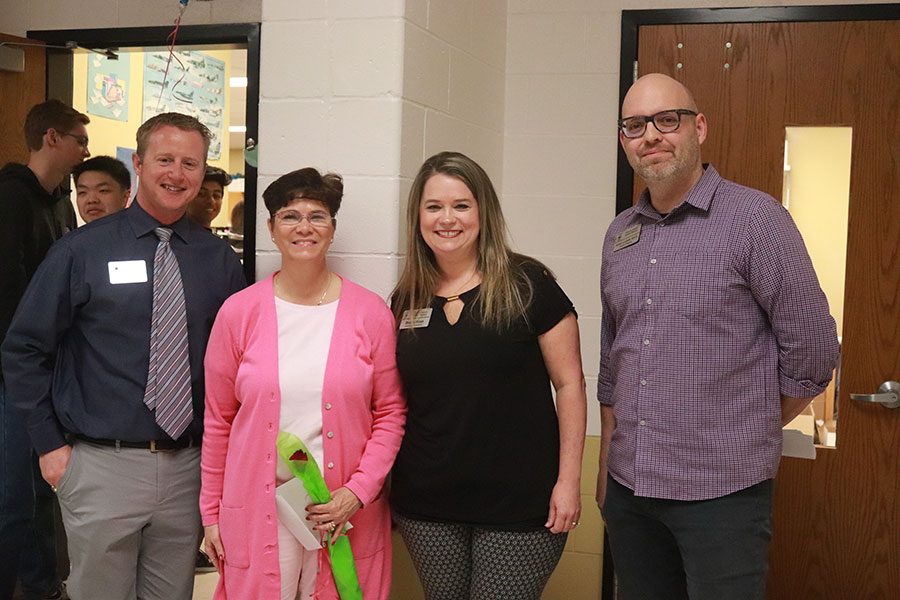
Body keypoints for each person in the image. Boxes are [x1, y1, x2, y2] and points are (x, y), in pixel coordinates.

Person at [596, 73, 840, 600]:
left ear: (698, 127)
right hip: (631, 493)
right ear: (623, 141)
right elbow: (612, 363)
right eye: (635, 126)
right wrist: (605, 471)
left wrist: (745, 424)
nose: (651, 136)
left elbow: (815, 351)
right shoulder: (620, 235)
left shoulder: (756, 220)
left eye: (668, 120)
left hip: (722, 495)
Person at [1, 112, 246, 600]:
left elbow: (237, 362)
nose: (177, 174)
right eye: (165, 160)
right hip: (99, 464)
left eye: (190, 163)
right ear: (138, 163)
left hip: (188, 467)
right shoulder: (81, 251)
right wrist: (50, 447)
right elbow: (24, 349)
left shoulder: (217, 260)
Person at [200, 167, 406, 600]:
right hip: (258, 509)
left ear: (333, 229)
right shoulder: (239, 313)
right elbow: (219, 420)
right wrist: (211, 513)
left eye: (318, 216)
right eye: (290, 216)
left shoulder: (370, 314)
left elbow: (390, 413)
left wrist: (357, 491)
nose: (304, 227)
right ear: (271, 230)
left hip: (342, 511)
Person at [390, 151, 587, 600]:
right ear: (418, 216)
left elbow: (571, 385)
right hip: (427, 505)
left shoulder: (528, 284)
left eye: (461, 205)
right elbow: (398, 402)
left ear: (483, 212)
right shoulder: (406, 299)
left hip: (520, 504)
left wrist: (568, 480)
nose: (447, 219)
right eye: (434, 207)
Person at [0, 99, 89, 600]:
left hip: (52, 372)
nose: (85, 150)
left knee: (42, 491)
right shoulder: (9, 198)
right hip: (15, 372)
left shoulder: (59, 202)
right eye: (79, 139)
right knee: (12, 496)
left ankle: (39, 584)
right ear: (52, 138)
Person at [71, 155, 130, 223]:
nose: (92, 200)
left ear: (125, 197)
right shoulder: (74, 233)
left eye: (103, 190)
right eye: (82, 192)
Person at [186, 165, 231, 230]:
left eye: (216, 195)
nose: (211, 201)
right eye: (201, 194)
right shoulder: (174, 237)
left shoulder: (211, 238)